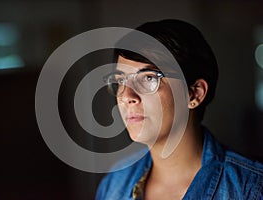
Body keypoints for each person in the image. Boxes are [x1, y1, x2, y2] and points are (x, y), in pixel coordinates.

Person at [95, 19, 263, 200]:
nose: (127, 96)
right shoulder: (115, 184)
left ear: (194, 94)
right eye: (121, 80)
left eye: (148, 78)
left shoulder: (250, 188)